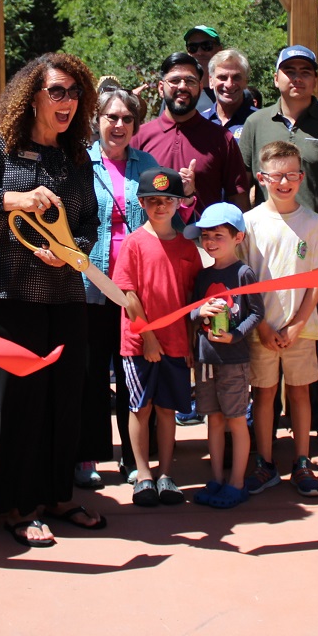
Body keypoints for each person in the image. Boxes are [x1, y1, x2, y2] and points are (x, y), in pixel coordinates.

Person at [0, 53, 104, 548]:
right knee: (18, 402)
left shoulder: (76, 155)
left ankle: (57, 495)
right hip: (4, 291)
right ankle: (17, 504)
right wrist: (13, 199)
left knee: (64, 396)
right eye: (57, 91)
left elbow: (88, 223)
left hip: (63, 291)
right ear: (31, 95)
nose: (67, 101)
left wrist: (70, 250)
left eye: (75, 93)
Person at [239, 45, 318, 455]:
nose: (297, 77)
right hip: (266, 254)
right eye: (287, 70)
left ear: (315, 79)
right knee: (264, 341)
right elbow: (242, 187)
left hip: (316, 251)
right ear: (275, 78)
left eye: (305, 70)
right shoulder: (255, 123)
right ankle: (265, 440)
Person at [241, 140, 318, 497]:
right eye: (277, 176)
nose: (285, 183)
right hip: (259, 329)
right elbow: (242, 279)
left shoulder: (312, 222)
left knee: (300, 394)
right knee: (263, 395)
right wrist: (262, 324)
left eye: (292, 175)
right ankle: (264, 461)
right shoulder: (249, 223)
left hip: (302, 329)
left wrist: (297, 323)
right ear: (262, 177)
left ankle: (302, 461)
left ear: (301, 176)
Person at [79, 87, 157, 488]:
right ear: (97, 120)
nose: (119, 125)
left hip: (133, 289)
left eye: (127, 118)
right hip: (91, 285)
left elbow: (164, 215)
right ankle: (88, 456)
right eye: (112, 117)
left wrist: (188, 197)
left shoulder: (147, 164)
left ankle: (133, 457)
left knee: (132, 374)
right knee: (91, 375)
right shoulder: (79, 162)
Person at [115, 166, 199, 507]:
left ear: (178, 203)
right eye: (153, 201)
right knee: (141, 408)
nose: (160, 207)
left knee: (167, 410)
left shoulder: (187, 248)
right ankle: (143, 474)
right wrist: (148, 337)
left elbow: (192, 299)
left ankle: (166, 474)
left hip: (177, 342)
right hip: (139, 343)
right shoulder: (134, 243)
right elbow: (129, 293)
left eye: (167, 200)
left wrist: (192, 341)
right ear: (142, 204)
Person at [187, 203, 265, 509]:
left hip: (234, 360)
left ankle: (237, 482)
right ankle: (217, 478)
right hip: (206, 360)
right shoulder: (202, 275)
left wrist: (236, 335)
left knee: (235, 420)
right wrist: (198, 312)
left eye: (218, 235)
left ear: (237, 237)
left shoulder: (244, 273)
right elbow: (191, 312)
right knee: (214, 420)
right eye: (205, 236)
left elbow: (256, 314)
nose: (210, 242)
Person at [133, 51, 253, 222]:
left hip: (205, 243)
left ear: (200, 87)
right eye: (174, 81)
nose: (182, 86)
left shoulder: (221, 139)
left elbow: (238, 200)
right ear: (161, 88)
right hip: (150, 243)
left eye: (190, 81)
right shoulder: (139, 137)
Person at [202, 48, 257, 138]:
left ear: (246, 82)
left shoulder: (259, 121)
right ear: (211, 81)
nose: (229, 85)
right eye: (222, 77)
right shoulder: (200, 121)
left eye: (236, 77)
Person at [185, 24, 223, 114]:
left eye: (206, 46)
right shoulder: (179, 92)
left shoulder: (232, 92)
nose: (199, 52)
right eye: (193, 47)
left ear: (219, 50)